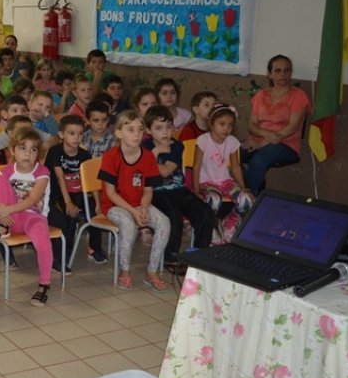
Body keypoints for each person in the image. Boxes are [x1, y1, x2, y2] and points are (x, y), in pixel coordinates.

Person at [98, 110, 171, 291]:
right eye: (130, 129)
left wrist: (144, 208)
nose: (136, 134)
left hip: (139, 203)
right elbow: (111, 193)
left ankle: (152, 272)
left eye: (139, 129)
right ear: (118, 133)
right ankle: (124, 271)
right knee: (128, 224)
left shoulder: (147, 157)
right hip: (115, 206)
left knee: (164, 222)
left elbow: (148, 190)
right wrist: (134, 211)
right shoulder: (111, 156)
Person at [0, 127, 56, 306]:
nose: (28, 154)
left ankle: (44, 284)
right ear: (13, 151)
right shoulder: (7, 170)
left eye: (33, 149)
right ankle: (2, 226)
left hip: (33, 217)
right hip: (8, 217)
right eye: (23, 148)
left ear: (38, 153)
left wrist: (5, 211)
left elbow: (31, 200)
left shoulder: (42, 172)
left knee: (43, 243)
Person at [143, 106, 214, 274]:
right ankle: (170, 257)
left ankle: (199, 255)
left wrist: (151, 159)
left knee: (205, 212)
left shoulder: (177, 146)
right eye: (159, 128)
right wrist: (155, 152)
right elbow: (144, 170)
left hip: (178, 190)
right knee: (174, 216)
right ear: (148, 130)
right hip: (155, 192)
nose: (165, 132)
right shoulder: (144, 147)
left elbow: (166, 171)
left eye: (168, 126)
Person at [241, 54, 312, 194]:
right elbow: (252, 125)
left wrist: (262, 143)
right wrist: (262, 138)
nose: (283, 74)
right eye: (277, 71)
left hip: (286, 144)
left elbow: (292, 127)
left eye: (287, 70)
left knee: (258, 161)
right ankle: (243, 192)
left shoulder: (298, 95)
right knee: (231, 153)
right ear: (269, 74)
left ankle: (248, 202)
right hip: (259, 140)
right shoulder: (261, 95)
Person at [45, 115, 99, 271]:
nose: (77, 137)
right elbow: (61, 179)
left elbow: (91, 182)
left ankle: (95, 248)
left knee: (93, 211)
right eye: (72, 133)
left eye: (80, 134)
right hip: (57, 194)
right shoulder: (55, 152)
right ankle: (62, 255)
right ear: (61, 134)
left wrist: (98, 204)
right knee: (69, 216)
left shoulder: (84, 155)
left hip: (77, 193)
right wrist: (68, 202)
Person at [194, 103, 254, 242]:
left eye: (230, 125)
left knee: (245, 200)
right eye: (222, 124)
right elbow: (196, 167)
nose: (226, 128)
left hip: (226, 182)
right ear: (211, 123)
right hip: (207, 183)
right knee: (213, 200)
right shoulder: (203, 140)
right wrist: (196, 190)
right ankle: (212, 225)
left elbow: (236, 167)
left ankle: (230, 221)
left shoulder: (232, 141)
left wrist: (243, 187)